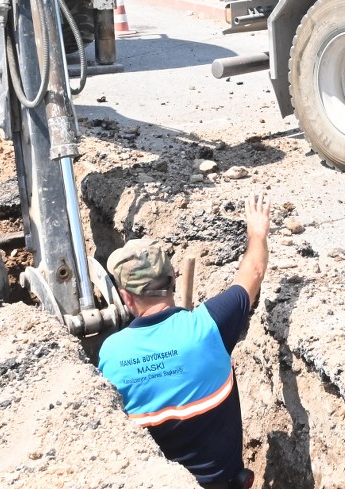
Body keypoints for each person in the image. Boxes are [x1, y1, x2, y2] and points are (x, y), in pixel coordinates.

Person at [98, 192, 271, 489]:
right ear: (173, 279)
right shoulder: (209, 327)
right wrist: (257, 233)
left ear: (125, 297)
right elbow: (253, 273)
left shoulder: (111, 354)